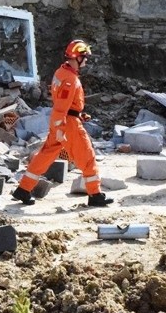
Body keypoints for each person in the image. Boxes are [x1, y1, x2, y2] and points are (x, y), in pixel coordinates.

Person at [11, 39, 113, 207]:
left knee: (45, 155)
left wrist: (75, 115)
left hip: (64, 120)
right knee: (87, 157)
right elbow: (61, 106)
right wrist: (62, 126)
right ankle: (95, 195)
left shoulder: (61, 72)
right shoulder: (69, 79)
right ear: (77, 57)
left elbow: (63, 104)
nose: (86, 60)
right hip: (68, 124)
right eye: (84, 57)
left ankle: (23, 189)